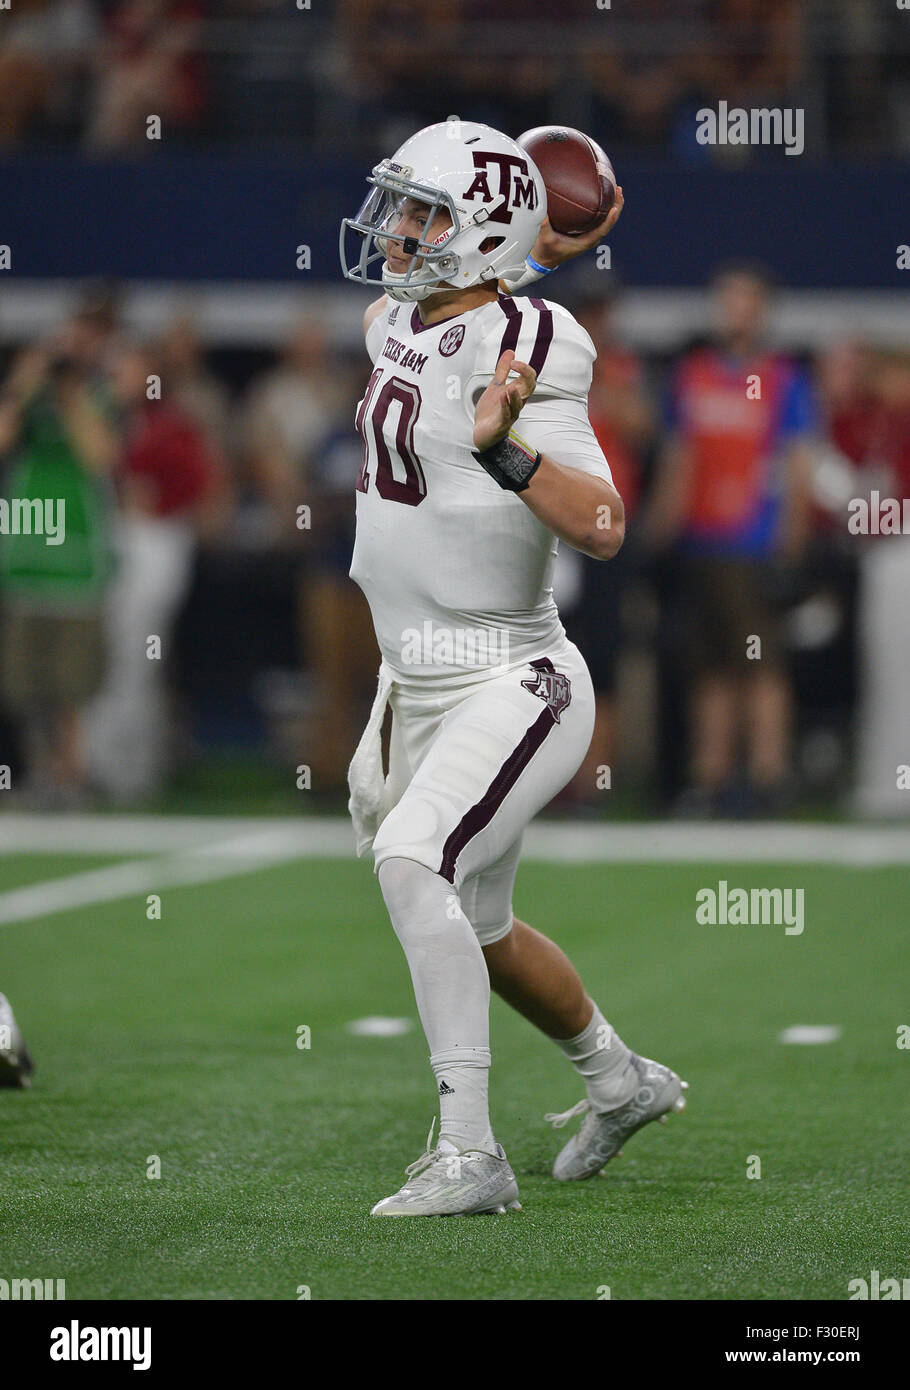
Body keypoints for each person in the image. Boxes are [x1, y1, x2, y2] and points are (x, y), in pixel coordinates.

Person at [339, 119, 686, 1218]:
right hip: (413, 686)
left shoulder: (540, 341)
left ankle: (467, 1154)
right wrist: (513, 242)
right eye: (399, 205)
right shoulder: (403, 313)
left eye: (423, 212)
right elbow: (442, 307)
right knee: (476, 926)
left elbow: (605, 524)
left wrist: (506, 449)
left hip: (513, 677)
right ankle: (619, 1080)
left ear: (480, 234)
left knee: (411, 861)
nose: (397, 231)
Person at [646, 263, 817, 816]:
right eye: (727, 298)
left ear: (763, 308)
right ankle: (710, 780)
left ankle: (768, 779)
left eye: (745, 299)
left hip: (755, 541)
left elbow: (797, 463)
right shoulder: (692, 375)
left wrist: (792, 540)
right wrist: (657, 533)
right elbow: (679, 457)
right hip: (702, 541)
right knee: (708, 667)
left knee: (761, 665)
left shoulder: (783, 378)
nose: (734, 309)